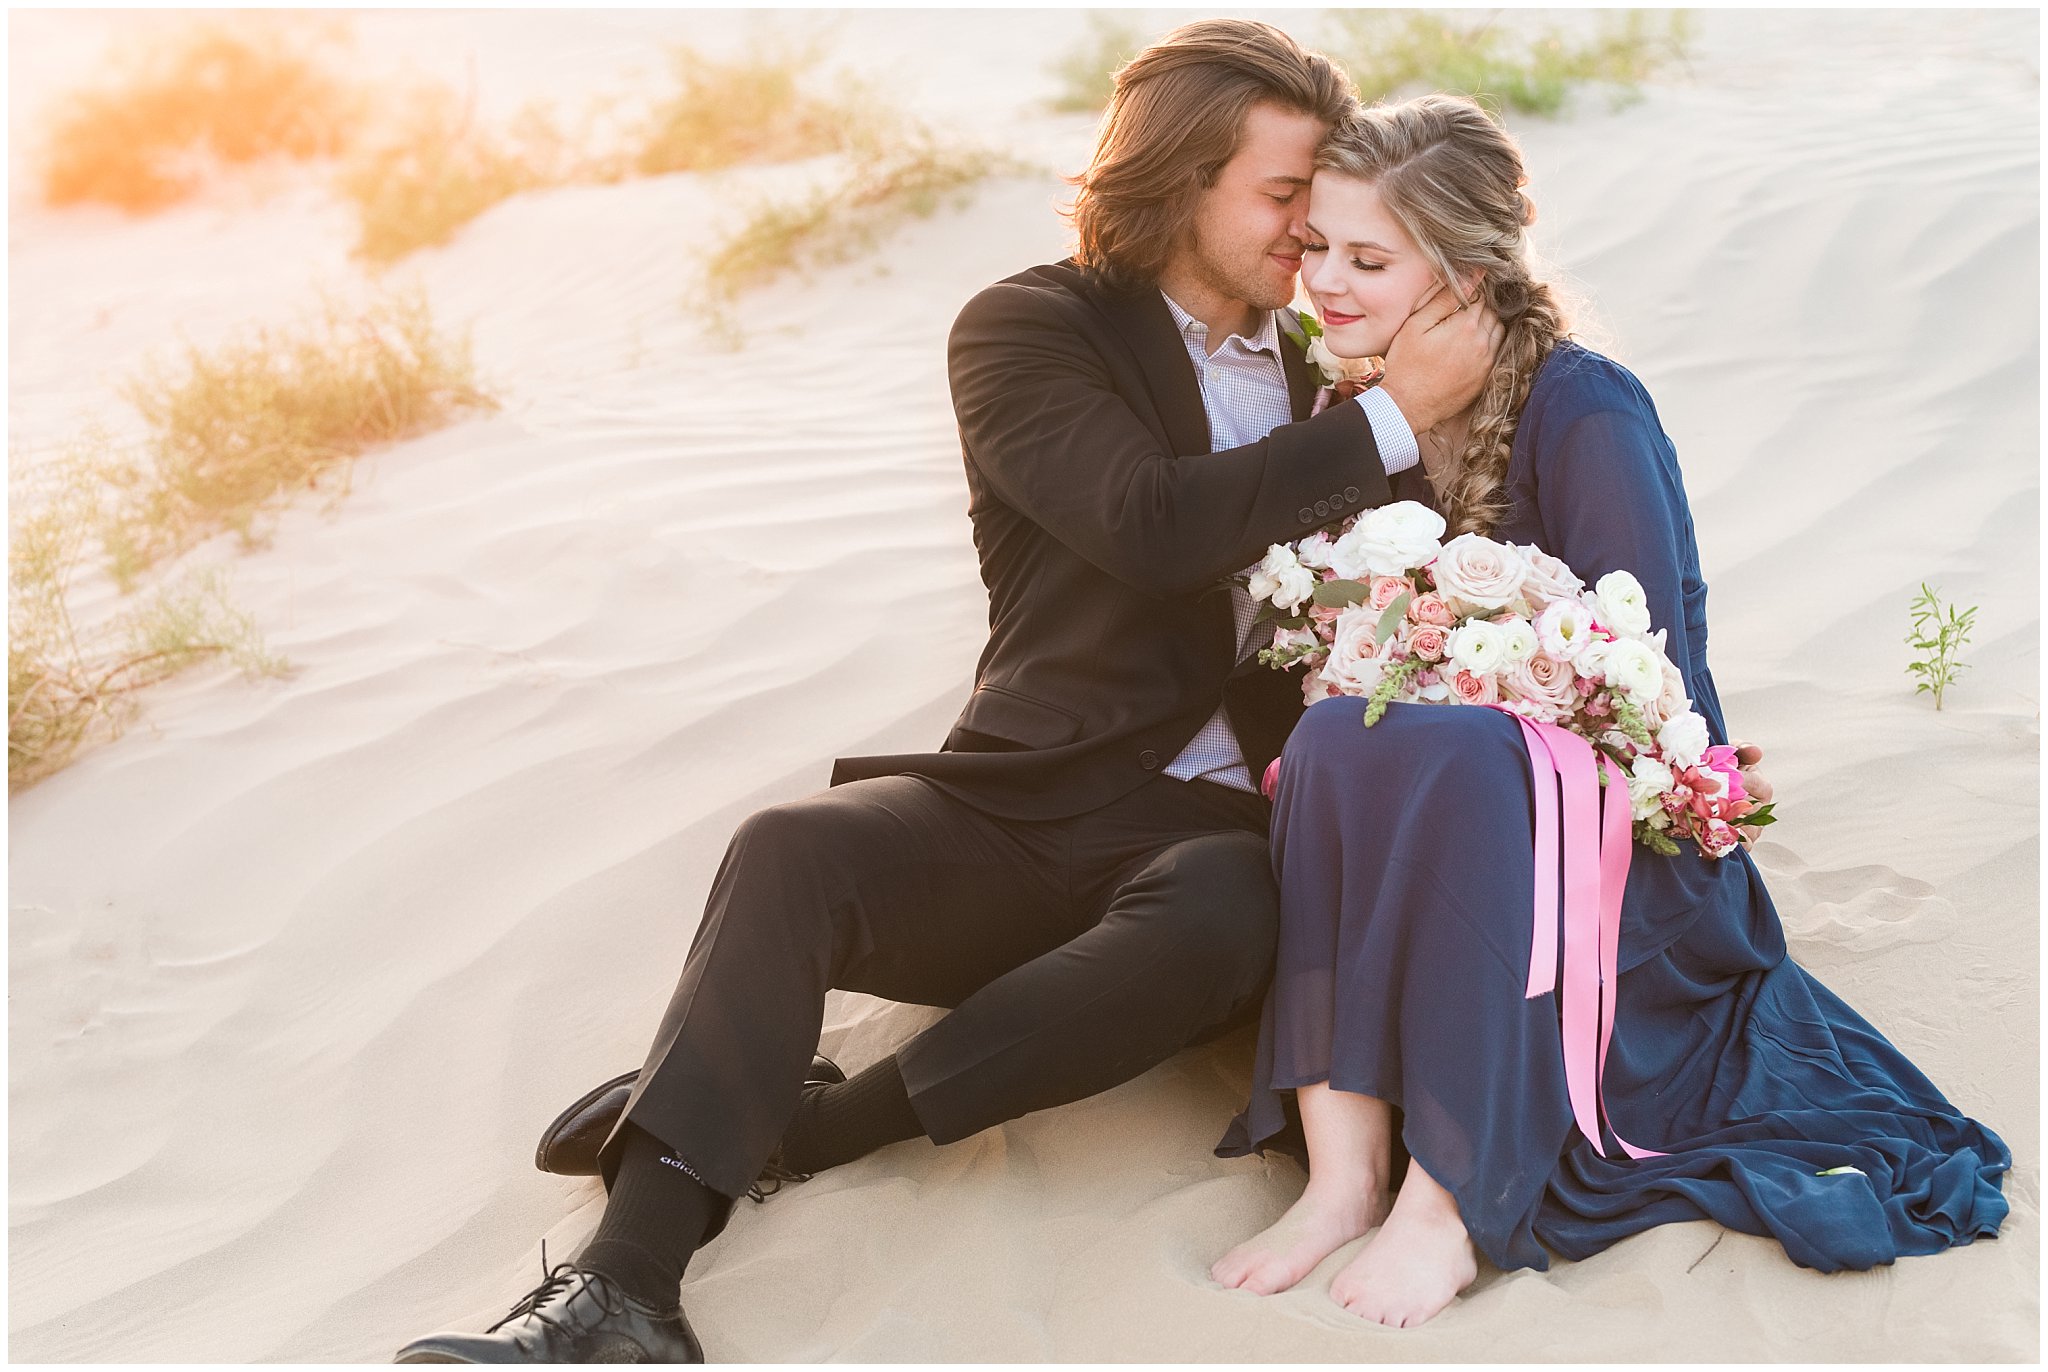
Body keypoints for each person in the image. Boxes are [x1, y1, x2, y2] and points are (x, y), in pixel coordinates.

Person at [393, 22, 1509, 1364]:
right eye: (1281, 197)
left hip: (1212, 838)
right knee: (790, 851)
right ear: (1177, 182)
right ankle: (621, 1292)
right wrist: (1388, 422)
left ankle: (796, 1129)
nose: (1307, 234)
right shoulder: (1032, 329)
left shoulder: (1324, 358)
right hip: (1025, 801)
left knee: (1227, 911)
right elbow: (1149, 525)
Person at [1208, 94, 2010, 1329]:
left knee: (1465, 746)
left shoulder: (1583, 408)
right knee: (1329, 731)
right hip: (1448, 839)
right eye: (1314, 245)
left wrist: (1477, 679)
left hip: (1622, 860)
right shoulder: (1352, 411)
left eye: (1365, 259)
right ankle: (1341, 1171)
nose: (1322, 281)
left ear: (1465, 275)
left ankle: (1448, 1196)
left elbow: (1650, 699)